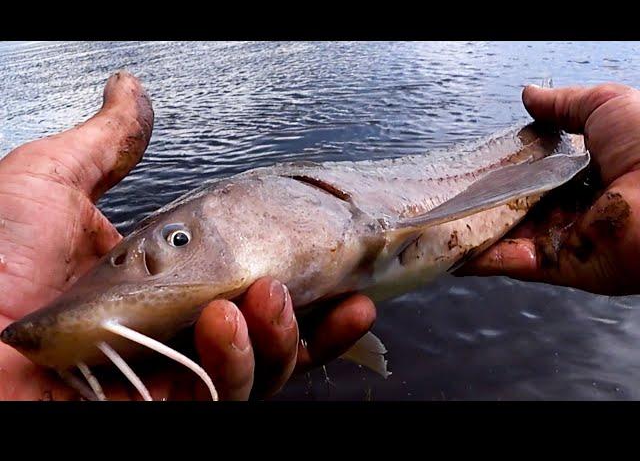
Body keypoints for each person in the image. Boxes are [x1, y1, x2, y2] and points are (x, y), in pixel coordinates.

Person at [0, 72, 638, 400]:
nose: (167, 252)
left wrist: (609, 164)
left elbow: (564, 153)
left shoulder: (357, 212)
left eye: (177, 241)